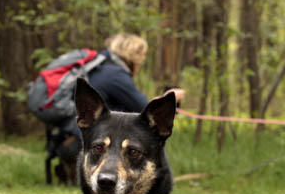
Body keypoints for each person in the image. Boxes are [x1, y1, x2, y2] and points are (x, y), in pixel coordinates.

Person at [52, 33, 185, 183]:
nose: (142, 60)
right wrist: (168, 99)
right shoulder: (116, 75)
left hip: (70, 128)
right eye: (141, 55)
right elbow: (143, 112)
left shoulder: (103, 68)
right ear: (133, 55)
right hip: (89, 134)